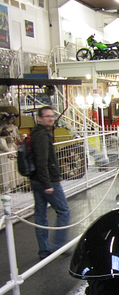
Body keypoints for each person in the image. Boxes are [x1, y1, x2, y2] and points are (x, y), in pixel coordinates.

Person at [30, 106, 71, 260]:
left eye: (51, 116)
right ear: (39, 118)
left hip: (36, 180)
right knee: (64, 211)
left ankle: (44, 250)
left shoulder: (36, 133)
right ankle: (59, 246)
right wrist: (47, 184)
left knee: (40, 216)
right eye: (47, 116)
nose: (50, 118)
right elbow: (42, 161)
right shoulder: (42, 136)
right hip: (47, 181)